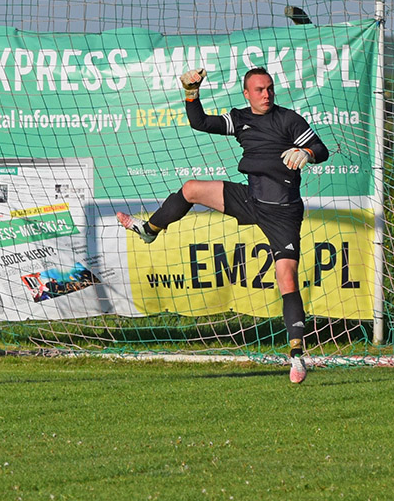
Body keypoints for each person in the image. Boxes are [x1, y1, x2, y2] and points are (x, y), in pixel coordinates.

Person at [117, 67, 329, 384]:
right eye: (259, 90)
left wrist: (307, 152)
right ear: (246, 93)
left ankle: (297, 357)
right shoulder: (241, 119)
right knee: (190, 189)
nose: (266, 94)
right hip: (250, 199)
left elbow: (321, 150)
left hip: (283, 212)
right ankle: (149, 230)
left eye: (269, 88)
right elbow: (200, 122)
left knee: (286, 277)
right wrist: (191, 92)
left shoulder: (289, 120)